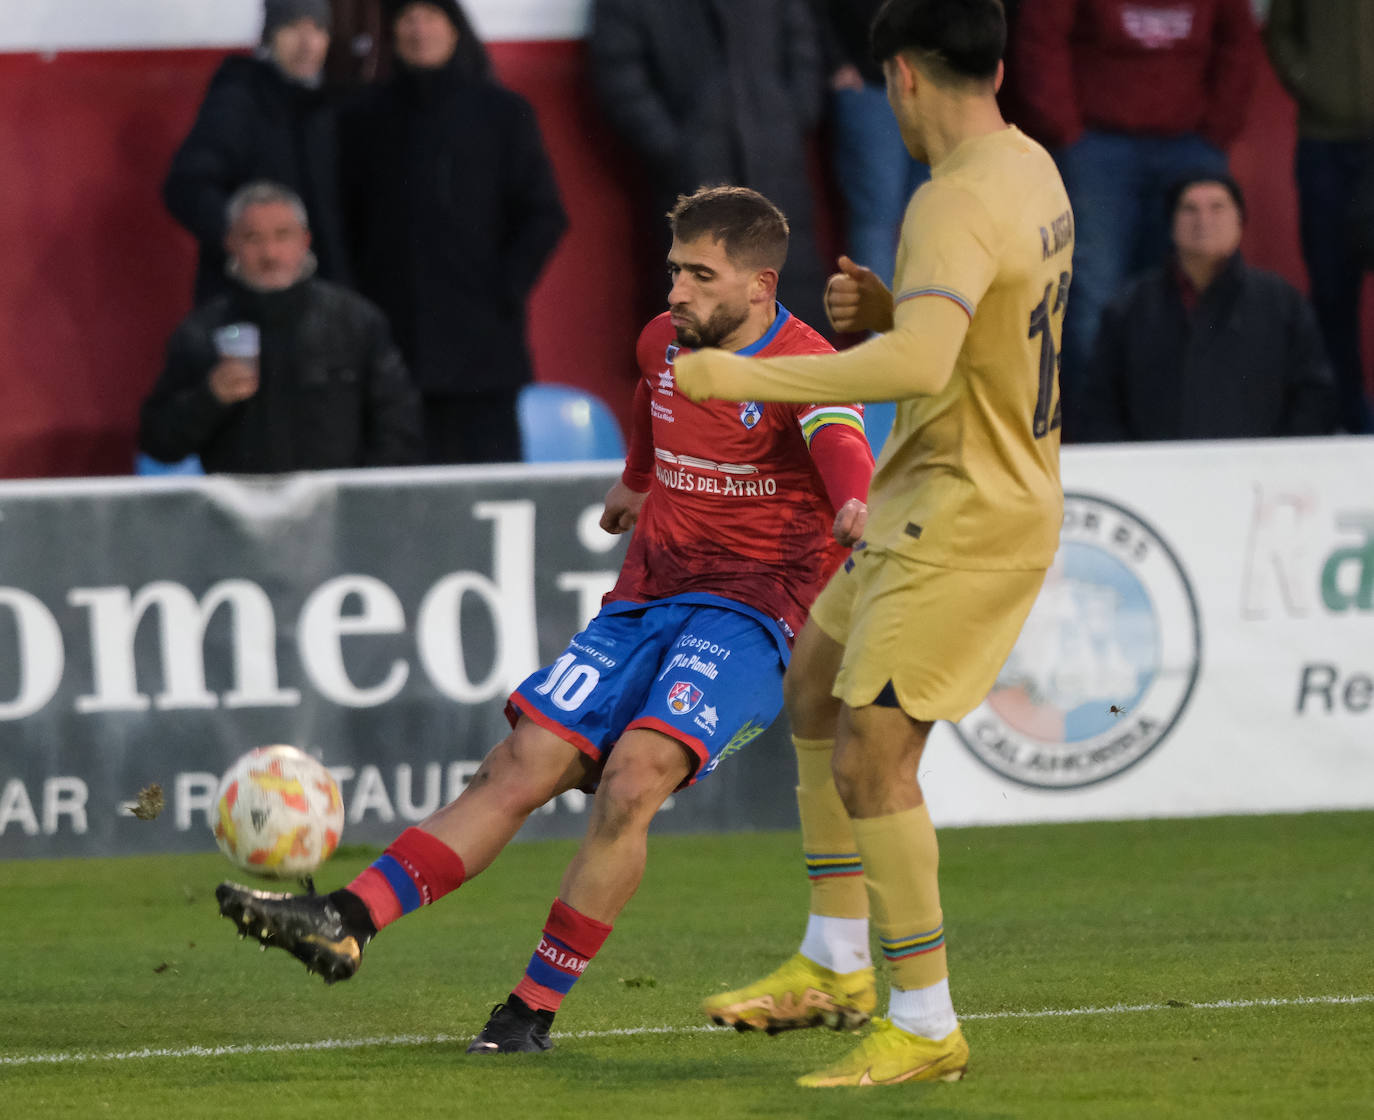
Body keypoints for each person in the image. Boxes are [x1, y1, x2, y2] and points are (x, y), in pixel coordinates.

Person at [215, 186, 876, 1053]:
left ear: (759, 285)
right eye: (673, 269)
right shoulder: (663, 342)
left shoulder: (806, 367)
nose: (676, 290)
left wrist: (857, 502)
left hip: (756, 611)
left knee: (636, 778)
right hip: (647, 596)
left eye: (699, 275)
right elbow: (652, 397)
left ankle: (530, 1010)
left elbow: (841, 443)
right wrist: (638, 477)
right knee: (522, 762)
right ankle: (343, 920)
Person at [674, 0, 1071, 1089]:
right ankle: (837, 959)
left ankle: (926, 1020)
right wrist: (905, 308)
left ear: (898, 75)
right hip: (935, 494)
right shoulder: (1029, 165)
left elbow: (909, 371)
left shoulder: (952, 200)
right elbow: (962, 338)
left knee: (873, 756)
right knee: (812, 683)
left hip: (966, 513)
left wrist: (743, 372)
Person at [1011, 0, 1260, 436]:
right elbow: (1040, 36)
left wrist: (1218, 127)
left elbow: (1239, 40)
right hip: (1099, 147)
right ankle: (1093, 439)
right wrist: (1067, 132)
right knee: (1092, 299)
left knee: (1196, 291)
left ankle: (1186, 432)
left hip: (1189, 143)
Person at [340, 0, 566, 465]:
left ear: (455, 29)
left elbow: (544, 214)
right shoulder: (361, 118)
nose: (418, 29)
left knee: (485, 490)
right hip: (391, 346)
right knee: (396, 495)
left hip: (483, 349)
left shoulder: (503, 113)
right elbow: (343, 223)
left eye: (431, 16)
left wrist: (504, 289)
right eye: (406, 18)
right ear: (393, 32)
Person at [139, 182, 422, 472]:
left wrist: (358, 501)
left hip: (336, 510)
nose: (270, 254)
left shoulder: (356, 321)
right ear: (230, 243)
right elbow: (158, 444)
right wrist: (210, 397)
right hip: (236, 512)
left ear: (305, 240)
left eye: (282, 235)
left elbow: (399, 428)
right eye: (253, 238)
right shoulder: (201, 333)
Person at [588, 0, 831, 334]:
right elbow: (620, 76)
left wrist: (792, 117)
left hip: (775, 161)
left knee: (794, 318)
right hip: (694, 174)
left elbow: (802, 44)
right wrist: (673, 148)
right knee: (703, 316)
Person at [1078, 174, 1335, 442]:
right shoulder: (1130, 306)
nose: (1204, 220)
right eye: (1189, 209)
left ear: (1240, 220)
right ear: (1171, 225)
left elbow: (1315, 397)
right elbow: (1098, 404)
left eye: (1218, 207)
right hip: (1153, 475)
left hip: (1259, 473)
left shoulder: (1281, 302)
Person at [164, 0, 351, 304]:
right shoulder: (238, 101)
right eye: (293, 28)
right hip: (247, 302)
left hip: (318, 305)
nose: (307, 44)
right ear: (269, 36)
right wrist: (248, 239)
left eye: (318, 29)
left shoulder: (323, 110)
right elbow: (186, 186)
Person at [1265, 0, 1374, 435]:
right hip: (1324, 142)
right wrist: (1313, 82)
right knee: (1331, 291)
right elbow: (1281, 31)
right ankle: (1346, 420)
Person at [812, 0, 929, 289]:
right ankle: (881, 330)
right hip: (869, 84)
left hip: (937, 82)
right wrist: (835, 61)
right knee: (877, 217)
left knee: (937, 212)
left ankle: (932, 322)